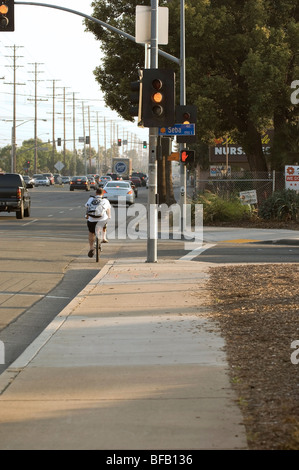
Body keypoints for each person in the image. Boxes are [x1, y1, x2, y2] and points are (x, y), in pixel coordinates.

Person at [85, 187, 111, 258]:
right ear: (103, 194)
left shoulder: (91, 199)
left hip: (92, 220)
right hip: (102, 219)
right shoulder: (105, 200)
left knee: (91, 233)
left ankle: (91, 248)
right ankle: (103, 238)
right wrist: (109, 217)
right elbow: (108, 210)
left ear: (96, 193)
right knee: (104, 225)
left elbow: (87, 207)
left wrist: (87, 216)